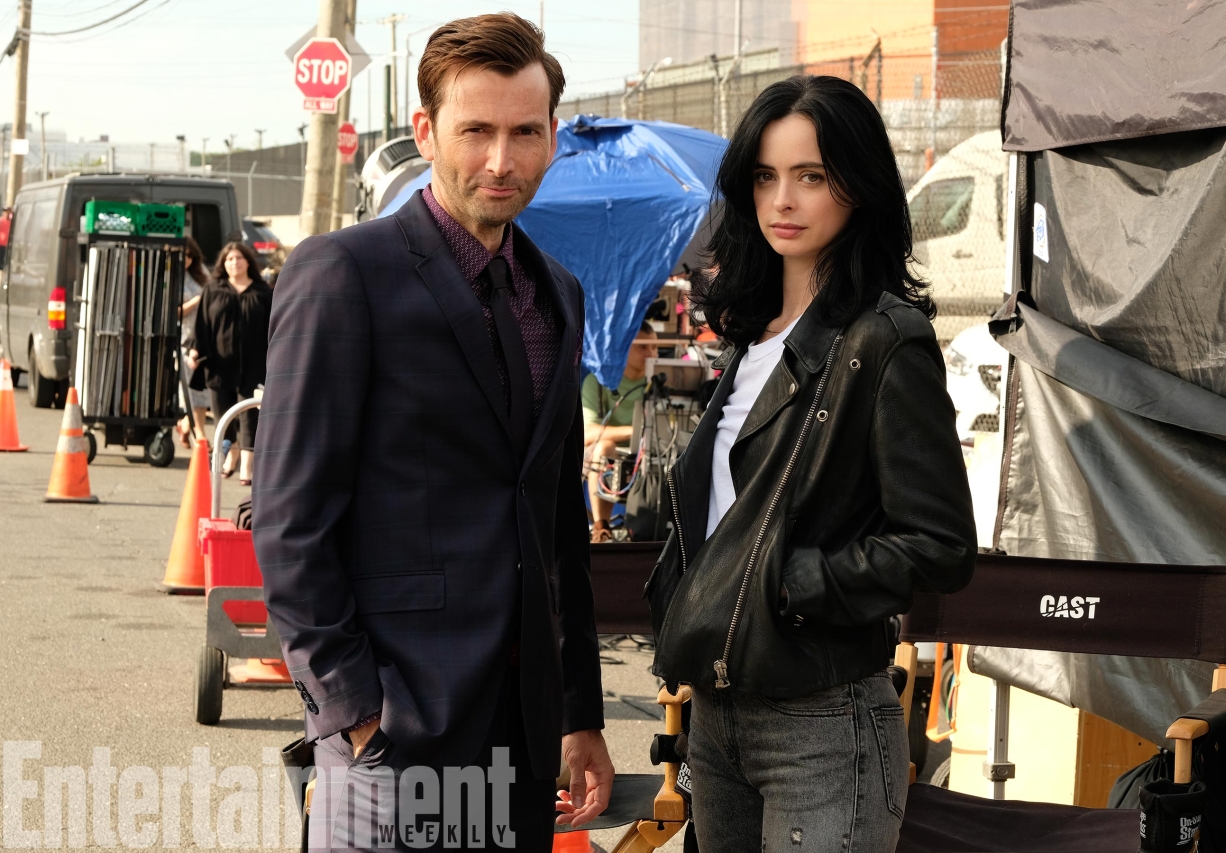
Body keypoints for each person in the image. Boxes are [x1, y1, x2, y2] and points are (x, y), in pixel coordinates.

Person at [253, 13, 612, 853]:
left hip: (523, 744)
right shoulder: (344, 273)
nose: (501, 160)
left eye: (525, 132)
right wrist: (355, 711)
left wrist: (579, 710)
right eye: (475, 131)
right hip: (392, 735)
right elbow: (289, 521)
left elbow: (557, 526)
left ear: (553, 136)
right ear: (426, 132)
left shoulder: (558, 294)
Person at [645, 75, 977, 852]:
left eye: (812, 176)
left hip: (824, 719)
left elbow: (940, 545)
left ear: (858, 186)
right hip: (717, 718)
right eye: (765, 176)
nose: (783, 200)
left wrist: (794, 583)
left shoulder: (883, 340)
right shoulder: (754, 337)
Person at [186, 241, 271, 485]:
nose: (234, 262)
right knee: (223, 415)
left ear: (248, 262)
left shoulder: (263, 292)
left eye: (239, 258)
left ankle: (247, 468)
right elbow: (202, 323)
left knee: (249, 417)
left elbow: (273, 327)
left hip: (254, 365)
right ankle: (231, 454)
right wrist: (195, 350)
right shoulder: (213, 288)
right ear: (223, 264)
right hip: (219, 365)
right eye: (229, 259)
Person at [582, 322, 659, 542]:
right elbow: (588, 434)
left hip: (656, 450)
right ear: (623, 348)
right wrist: (637, 432)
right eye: (642, 347)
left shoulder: (662, 380)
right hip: (612, 455)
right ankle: (601, 528)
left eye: (654, 347)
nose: (650, 353)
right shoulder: (598, 382)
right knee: (603, 447)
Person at [176, 237, 211, 446]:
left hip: (205, 335)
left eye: (190, 255)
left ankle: (186, 425)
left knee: (203, 390)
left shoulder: (200, 273)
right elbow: (175, 312)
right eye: (183, 254)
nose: (186, 259)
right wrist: (198, 300)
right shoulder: (171, 275)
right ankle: (200, 434)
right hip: (185, 338)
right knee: (193, 388)